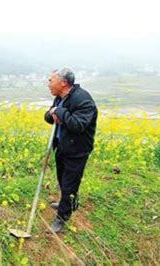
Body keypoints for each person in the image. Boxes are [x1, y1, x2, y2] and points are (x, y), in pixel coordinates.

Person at [44, 68, 98, 233]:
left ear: (63, 82)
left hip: (77, 150)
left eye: (50, 80)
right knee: (62, 179)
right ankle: (68, 203)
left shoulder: (83, 100)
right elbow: (49, 117)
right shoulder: (60, 98)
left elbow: (77, 125)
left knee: (69, 184)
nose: (48, 84)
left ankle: (62, 217)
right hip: (62, 146)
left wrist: (59, 111)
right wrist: (52, 113)